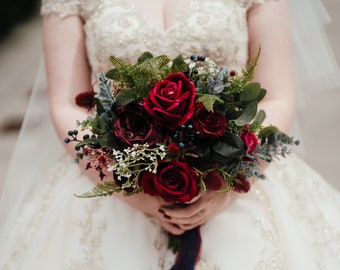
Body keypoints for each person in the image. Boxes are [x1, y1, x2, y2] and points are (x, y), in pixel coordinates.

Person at [0, 0, 339, 269]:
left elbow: (275, 96)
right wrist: (127, 190)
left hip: (234, 172)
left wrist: (226, 189)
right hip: (112, 176)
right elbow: (66, 103)